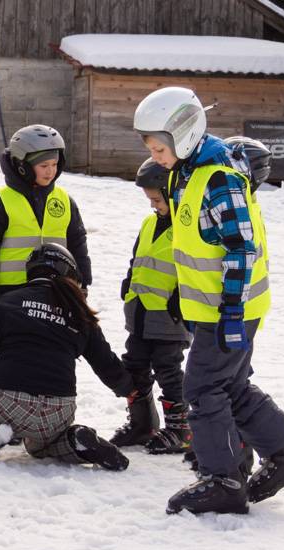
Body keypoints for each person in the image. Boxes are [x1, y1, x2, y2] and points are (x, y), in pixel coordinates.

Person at [133, 86, 284, 514]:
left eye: (159, 147)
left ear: (182, 136)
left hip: (230, 310)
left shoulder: (217, 177)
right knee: (230, 386)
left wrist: (232, 310)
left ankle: (224, 480)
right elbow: (201, 246)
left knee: (201, 388)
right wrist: (186, 294)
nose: (156, 156)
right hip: (215, 308)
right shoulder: (189, 172)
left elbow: (241, 247)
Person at [0, 243, 133, 472]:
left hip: (4, 398)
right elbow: (105, 362)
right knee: (41, 447)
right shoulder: (79, 312)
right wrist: (129, 389)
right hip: (58, 409)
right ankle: (77, 441)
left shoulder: (6, 303)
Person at [111, 158, 192, 454]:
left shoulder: (188, 227)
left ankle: (180, 429)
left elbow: (196, 268)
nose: (152, 205)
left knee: (168, 369)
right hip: (141, 313)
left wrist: (183, 297)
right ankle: (142, 424)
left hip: (170, 316)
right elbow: (139, 258)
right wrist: (129, 280)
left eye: (157, 199)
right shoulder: (148, 224)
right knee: (135, 367)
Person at [0, 124, 92, 305]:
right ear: (22, 165)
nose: (51, 171)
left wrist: (83, 281)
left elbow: (77, 242)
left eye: (55, 164)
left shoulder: (64, 200)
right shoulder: (1, 202)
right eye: (44, 165)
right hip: (13, 291)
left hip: (58, 290)